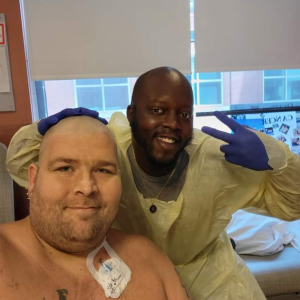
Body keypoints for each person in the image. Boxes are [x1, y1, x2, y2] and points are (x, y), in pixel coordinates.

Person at [6, 67, 300, 300]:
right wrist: (36, 134)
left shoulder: (219, 157)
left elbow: (292, 204)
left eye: (183, 114)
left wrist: (279, 160)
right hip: (133, 271)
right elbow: (24, 170)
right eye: (157, 111)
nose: (172, 123)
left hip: (213, 278)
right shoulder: (106, 152)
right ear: (132, 113)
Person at [0, 116, 190, 300]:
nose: (87, 187)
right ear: (33, 179)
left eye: (103, 170)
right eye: (65, 168)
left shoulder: (150, 258)